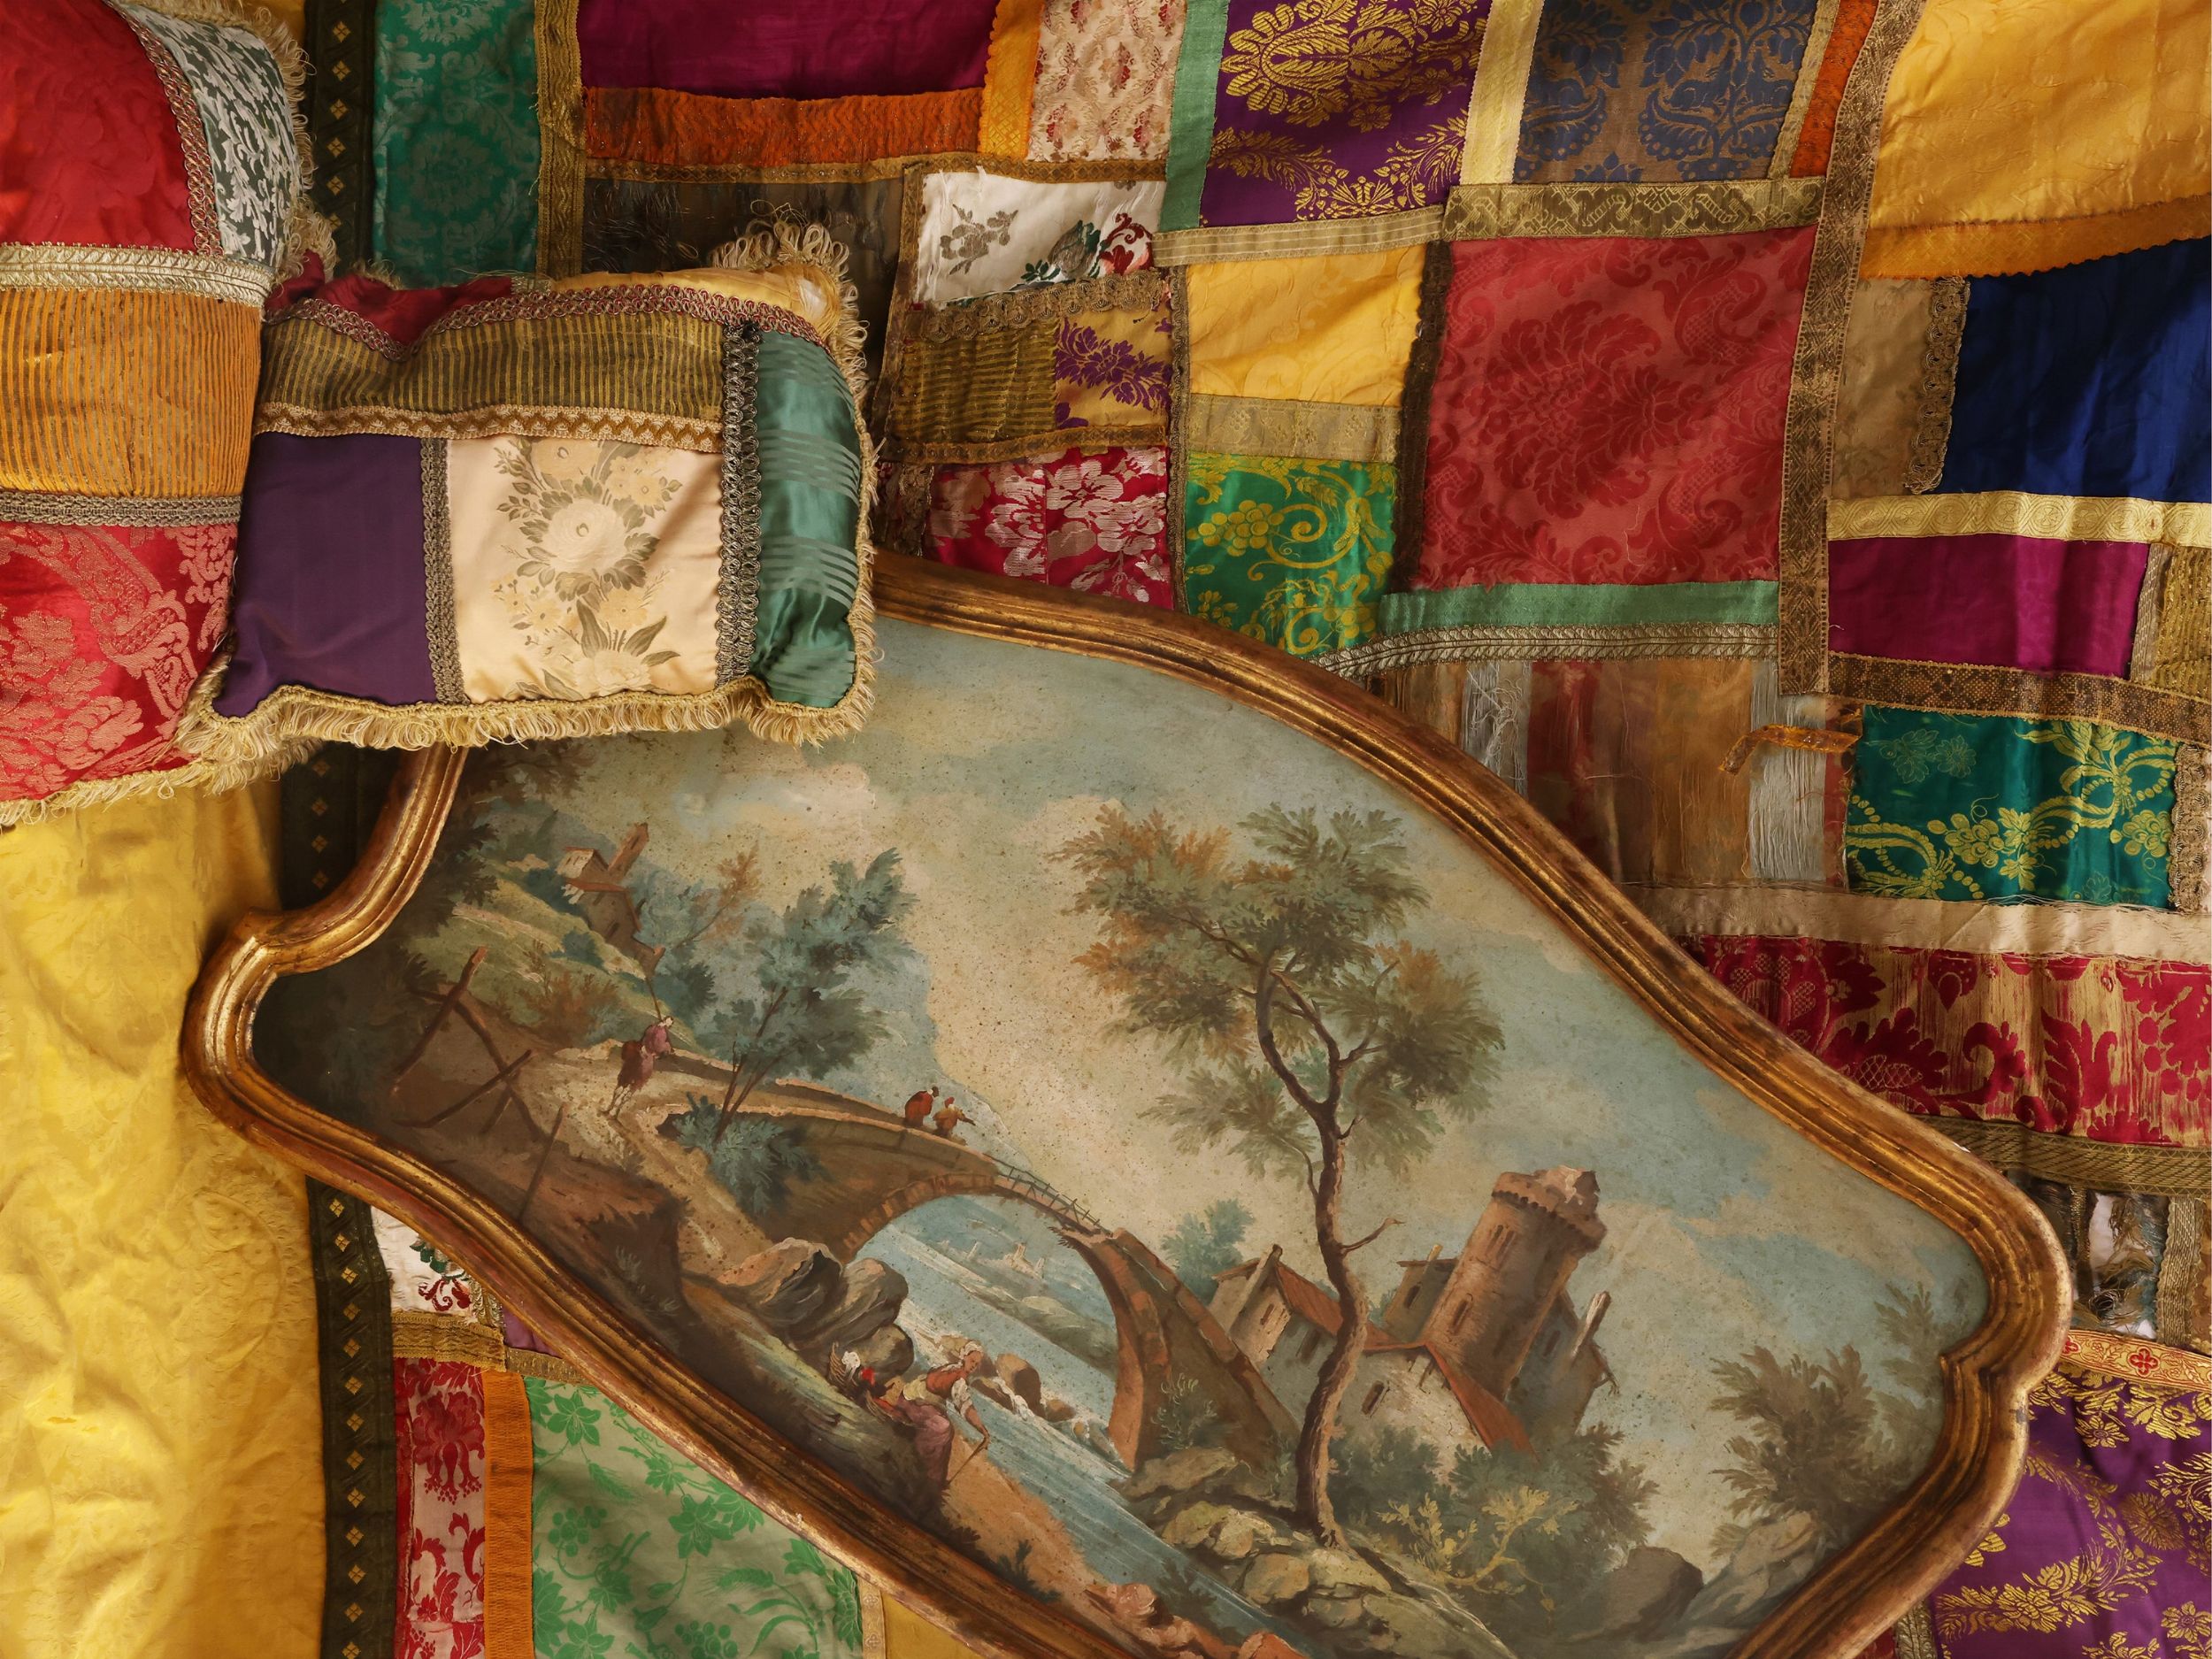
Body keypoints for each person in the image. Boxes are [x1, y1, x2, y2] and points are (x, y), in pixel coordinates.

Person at [863, 1345, 990, 1488]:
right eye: (972, 1360)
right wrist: (982, 1429)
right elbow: (965, 1406)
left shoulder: (950, 1368)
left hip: (908, 1398)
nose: (973, 1366)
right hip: (915, 1405)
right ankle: (927, 1471)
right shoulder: (958, 1378)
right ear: (964, 1356)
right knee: (944, 1429)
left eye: (976, 1364)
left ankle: (936, 1476)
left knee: (946, 1432)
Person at [609, 1015, 673, 1115]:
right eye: (669, 1023)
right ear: (667, 1023)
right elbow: (659, 1047)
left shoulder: (651, 1027)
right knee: (634, 1086)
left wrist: (643, 1047)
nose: (668, 1025)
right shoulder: (662, 1033)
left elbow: (644, 1039)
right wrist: (668, 1047)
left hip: (639, 1052)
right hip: (647, 1058)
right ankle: (616, 1112)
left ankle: (611, 1107)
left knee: (623, 1082)